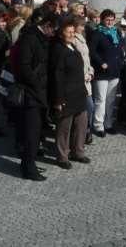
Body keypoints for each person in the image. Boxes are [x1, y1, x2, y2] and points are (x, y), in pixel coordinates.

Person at [15, 10, 58, 181]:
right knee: (31, 133)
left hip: (40, 91)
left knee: (36, 131)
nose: (54, 34)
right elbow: (24, 67)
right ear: (47, 26)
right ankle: (28, 168)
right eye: (54, 30)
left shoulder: (42, 38)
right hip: (31, 92)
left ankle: (29, 163)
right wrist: (38, 84)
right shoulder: (30, 37)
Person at [48, 20, 90, 170]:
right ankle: (62, 156)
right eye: (69, 32)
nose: (72, 34)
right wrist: (58, 99)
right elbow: (57, 76)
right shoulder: (58, 50)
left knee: (81, 124)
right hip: (66, 95)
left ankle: (78, 151)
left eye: (73, 32)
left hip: (79, 92)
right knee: (64, 128)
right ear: (61, 33)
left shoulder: (72, 46)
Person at [89, 9, 125, 137]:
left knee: (110, 100)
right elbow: (92, 52)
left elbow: (121, 49)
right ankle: (98, 125)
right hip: (102, 72)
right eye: (107, 19)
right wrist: (100, 62)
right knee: (100, 99)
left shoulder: (117, 32)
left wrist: (121, 61)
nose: (109, 22)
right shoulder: (97, 33)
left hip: (114, 71)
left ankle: (108, 124)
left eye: (112, 19)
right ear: (102, 20)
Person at [72, 16, 95, 145]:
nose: (83, 27)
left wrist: (91, 71)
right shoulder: (73, 40)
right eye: (81, 25)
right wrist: (83, 75)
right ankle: (84, 132)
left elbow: (87, 59)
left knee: (89, 107)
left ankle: (86, 131)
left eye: (83, 25)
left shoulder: (82, 38)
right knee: (88, 107)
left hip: (87, 77)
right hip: (80, 79)